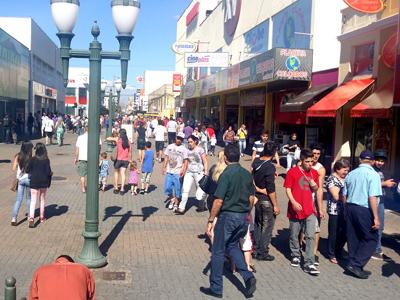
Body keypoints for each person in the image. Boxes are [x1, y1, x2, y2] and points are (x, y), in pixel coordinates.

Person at [201, 144, 256, 298]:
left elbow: (218, 200)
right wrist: (246, 212)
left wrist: (211, 220)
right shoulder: (246, 174)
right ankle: (248, 276)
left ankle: (216, 288)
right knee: (232, 246)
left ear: (225, 158)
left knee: (218, 251)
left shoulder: (226, 174)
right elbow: (251, 198)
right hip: (243, 216)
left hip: (228, 216)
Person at [343, 150, 382, 279]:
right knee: (371, 238)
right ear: (372, 161)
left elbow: (344, 195)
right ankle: (356, 264)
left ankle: (353, 265)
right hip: (363, 209)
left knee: (353, 237)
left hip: (350, 207)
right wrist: (376, 217)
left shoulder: (351, 174)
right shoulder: (373, 175)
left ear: (360, 160)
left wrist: (345, 209)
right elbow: (372, 197)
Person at [284, 149, 320, 275]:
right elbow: (288, 189)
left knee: (310, 235)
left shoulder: (314, 173)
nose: (310, 164)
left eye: (312, 161)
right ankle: (295, 254)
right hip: (295, 209)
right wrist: (293, 202)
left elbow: (316, 189)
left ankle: (309, 262)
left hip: (309, 209)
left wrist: (313, 185)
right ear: (301, 161)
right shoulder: (292, 172)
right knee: (294, 234)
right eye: (307, 161)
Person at [252, 143, 280, 262]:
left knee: (258, 224)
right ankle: (262, 252)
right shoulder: (269, 166)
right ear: (273, 153)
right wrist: (276, 205)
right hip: (266, 200)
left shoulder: (256, 162)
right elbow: (271, 189)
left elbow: (251, 178)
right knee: (267, 226)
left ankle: (255, 248)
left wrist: (257, 189)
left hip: (256, 198)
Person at [29, 255, 95, 300]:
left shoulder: (40, 271)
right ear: (72, 262)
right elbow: (91, 296)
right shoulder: (83, 270)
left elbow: (33, 297)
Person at [371, 150, 396, 260]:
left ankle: (375, 248)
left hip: (380, 199)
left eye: (382, 161)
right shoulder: (371, 171)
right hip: (375, 200)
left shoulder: (379, 171)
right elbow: (371, 185)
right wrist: (384, 184)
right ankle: (376, 250)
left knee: (379, 226)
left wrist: (386, 185)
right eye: (378, 160)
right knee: (378, 225)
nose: (380, 163)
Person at [325, 159, 350, 264]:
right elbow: (335, 196)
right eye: (344, 170)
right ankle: (331, 254)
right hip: (335, 210)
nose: (346, 172)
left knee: (344, 232)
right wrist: (347, 198)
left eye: (348, 170)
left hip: (344, 209)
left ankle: (339, 250)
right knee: (334, 233)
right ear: (337, 169)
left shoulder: (345, 178)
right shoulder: (331, 179)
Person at [176, 135, 208, 214]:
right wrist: (183, 170)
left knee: (200, 190)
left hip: (199, 172)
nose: (189, 143)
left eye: (191, 142)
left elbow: (205, 161)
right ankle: (181, 208)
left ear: (195, 141)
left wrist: (206, 171)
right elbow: (186, 162)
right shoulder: (186, 151)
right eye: (188, 142)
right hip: (189, 172)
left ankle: (201, 206)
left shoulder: (200, 150)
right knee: (185, 190)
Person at [27, 143, 52, 228]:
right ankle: (41, 217)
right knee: (42, 199)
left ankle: (31, 218)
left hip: (34, 181)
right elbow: (49, 172)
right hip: (44, 182)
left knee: (33, 200)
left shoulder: (32, 159)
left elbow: (27, 170)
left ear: (36, 150)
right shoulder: (46, 159)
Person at [205, 151, 228, 242]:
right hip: (223, 199)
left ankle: (213, 242)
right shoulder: (228, 170)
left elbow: (209, 184)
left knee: (214, 219)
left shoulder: (213, 168)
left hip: (212, 198)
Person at [162, 134, 187, 211]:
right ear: (175, 138)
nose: (178, 140)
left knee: (177, 189)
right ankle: (172, 199)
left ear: (182, 140)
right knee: (167, 188)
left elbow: (185, 161)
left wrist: (183, 169)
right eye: (178, 138)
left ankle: (176, 203)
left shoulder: (184, 149)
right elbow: (166, 157)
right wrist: (164, 167)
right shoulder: (169, 146)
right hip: (169, 171)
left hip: (178, 172)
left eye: (180, 139)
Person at [310, 145, 326, 266]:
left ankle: (314, 252)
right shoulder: (302, 164)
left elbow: (320, 189)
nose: (315, 156)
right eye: (314, 153)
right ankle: (300, 246)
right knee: (301, 227)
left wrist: (320, 208)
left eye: (318, 154)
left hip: (314, 201)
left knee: (316, 228)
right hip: (302, 200)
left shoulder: (320, 169)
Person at [11, 141, 34, 226]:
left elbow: (13, 168)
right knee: (29, 199)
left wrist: (18, 167)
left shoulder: (18, 156)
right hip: (29, 179)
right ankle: (29, 217)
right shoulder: (31, 158)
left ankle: (14, 218)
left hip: (20, 180)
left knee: (18, 200)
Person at [106, 128, 132, 195]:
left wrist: (111, 137)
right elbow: (130, 152)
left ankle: (116, 188)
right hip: (125, 160)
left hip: (118, 159)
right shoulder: (128, 142)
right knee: (123, 173)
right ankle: (122, 189)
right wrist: (130, 159)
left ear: (120, 133)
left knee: (116, 173)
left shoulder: (118, 139)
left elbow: (108, 138)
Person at [75, 126, 89, 193]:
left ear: (84, 130)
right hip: (92, 158)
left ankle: (83, 188)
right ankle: (91, 186)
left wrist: (76, 158)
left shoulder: (80, 137)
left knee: (82, 175)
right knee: (91, 174)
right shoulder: (95, 136)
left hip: (82, 158)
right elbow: (99, 147)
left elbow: (77, 149)